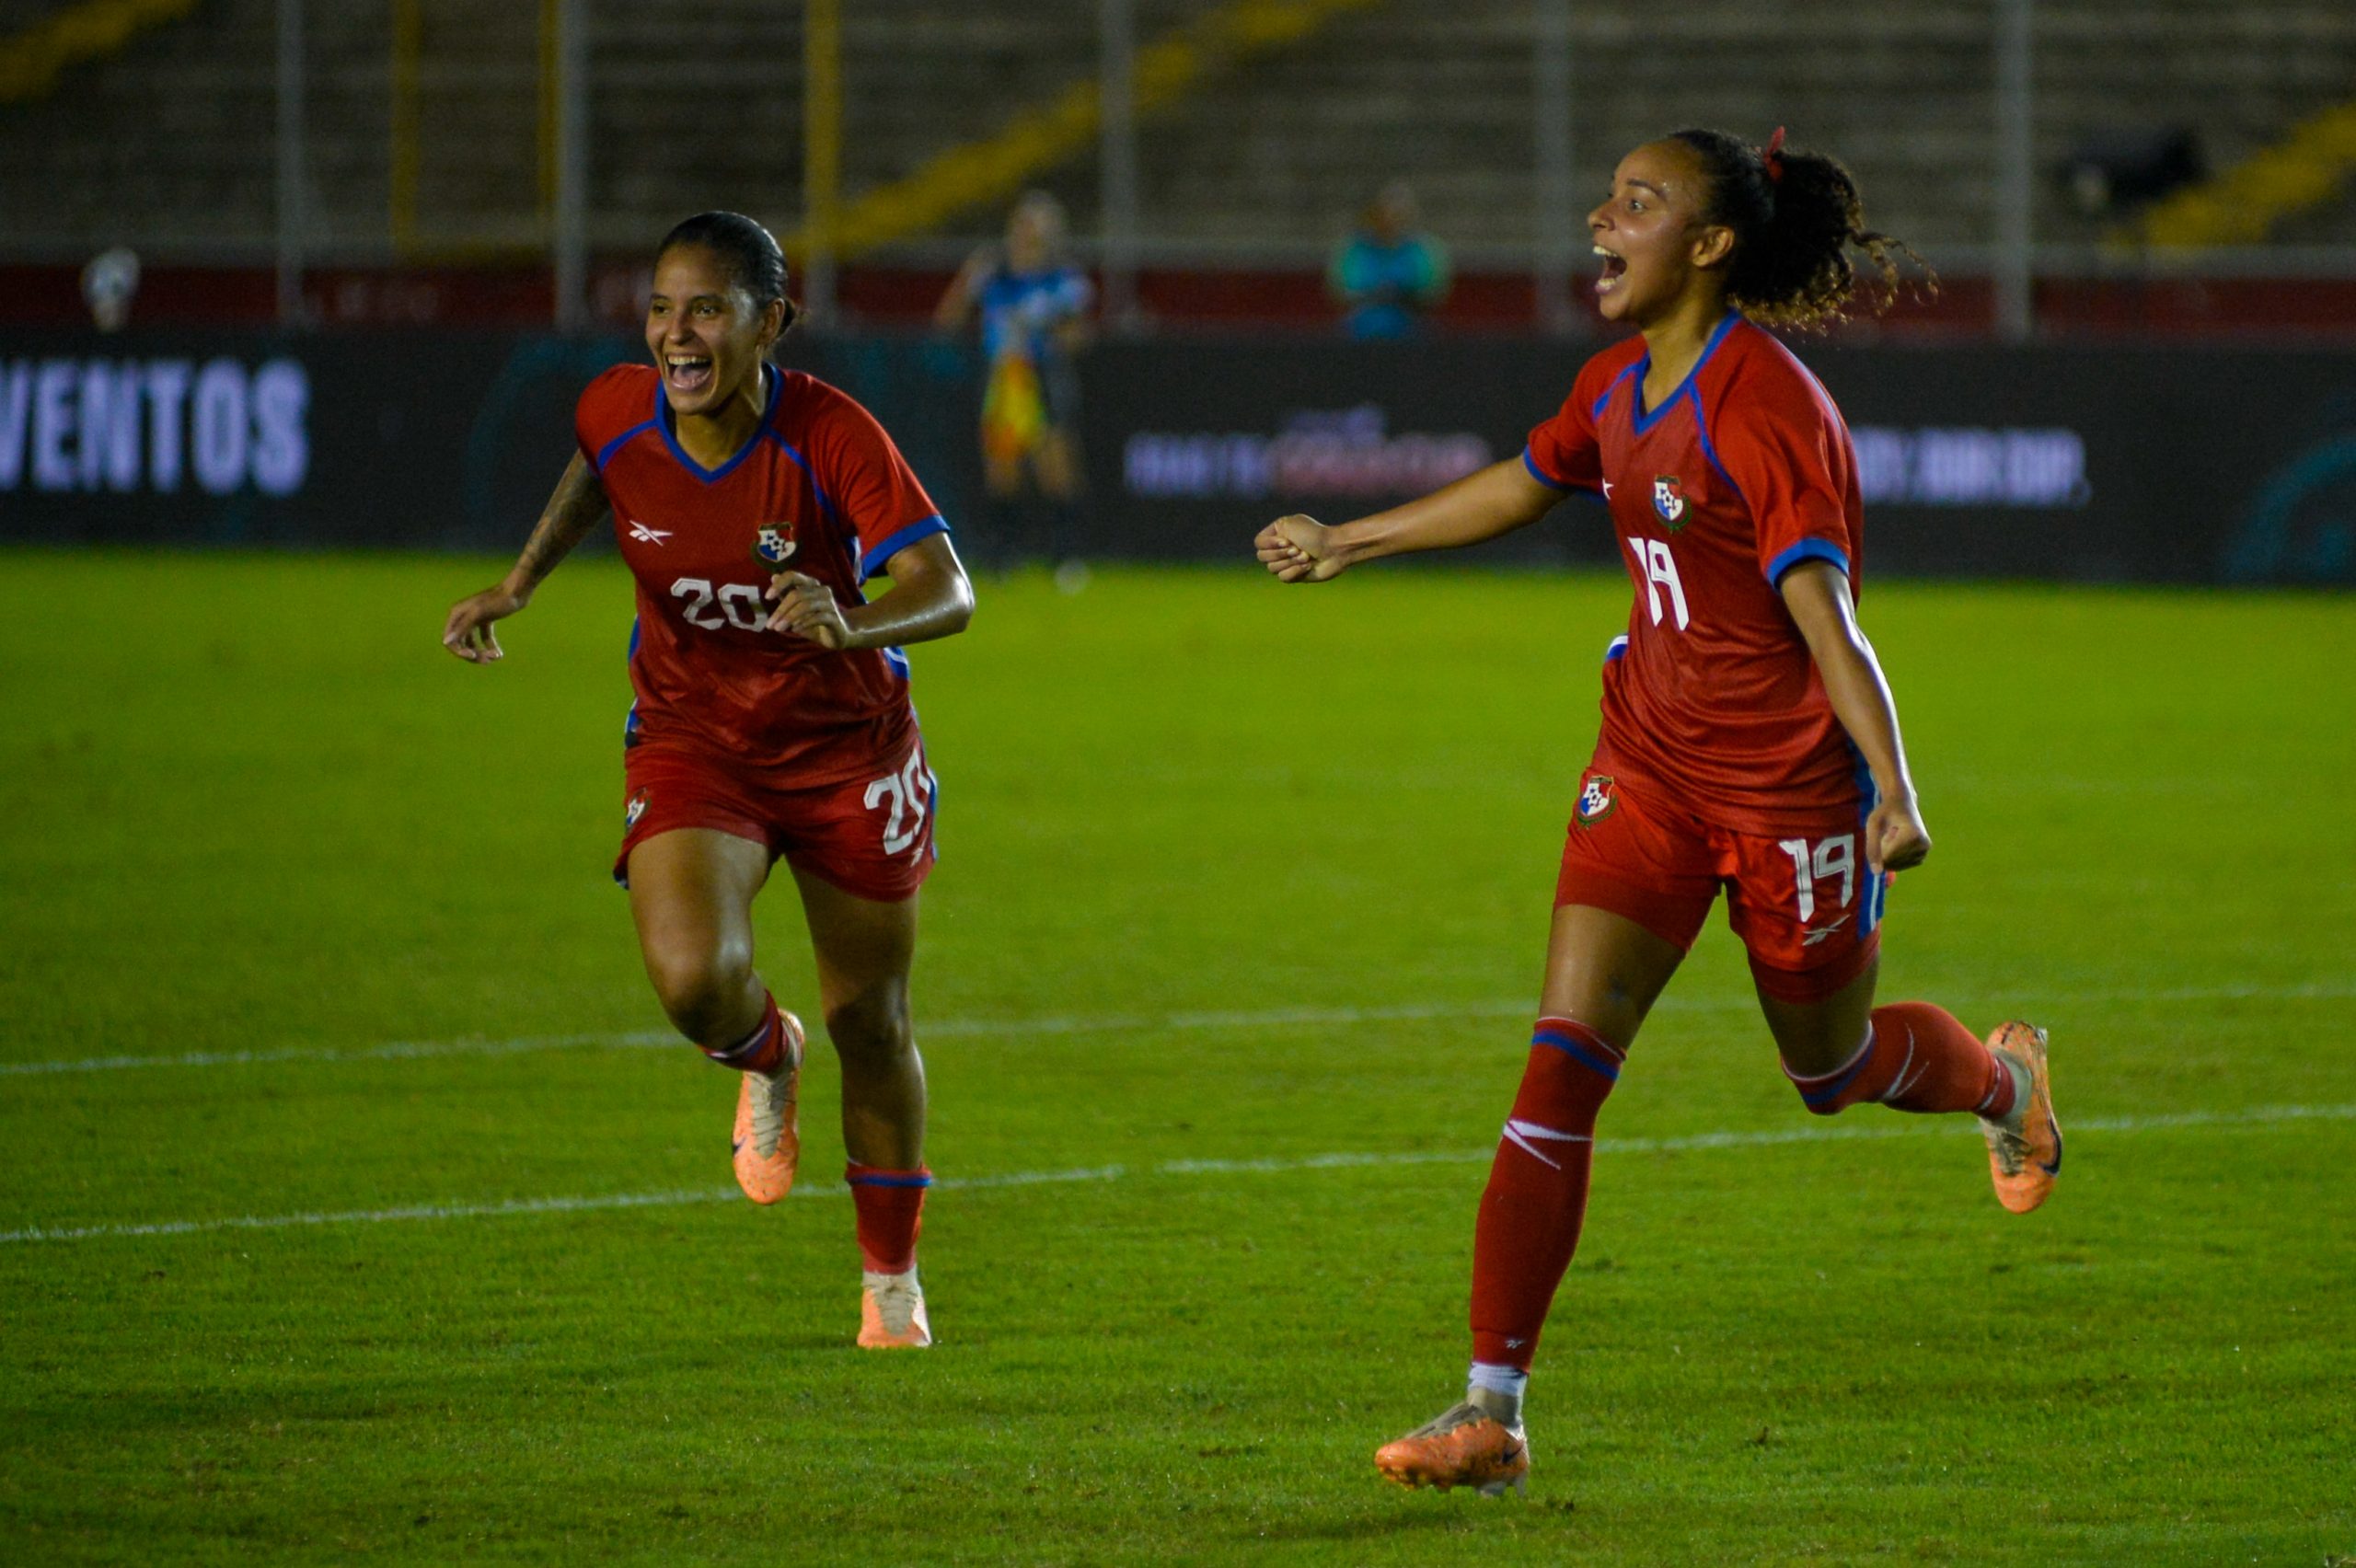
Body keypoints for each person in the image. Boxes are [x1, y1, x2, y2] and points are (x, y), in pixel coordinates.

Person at [1255, 128, 2061, 1495]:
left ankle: (2003, 1080)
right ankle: (1491, 1413)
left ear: (1709, 244)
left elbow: (1829, 615)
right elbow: (1529, 477)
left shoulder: (1771, 409)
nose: (1597, 220)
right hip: (1648, 767)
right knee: (1560, 1064)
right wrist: (1353, 540)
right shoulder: (1619, 386)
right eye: (1607, 197)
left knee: (1829, 1071)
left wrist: (1897, 793)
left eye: (1635, 203)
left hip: (1792, 794)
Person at [443, 212, 975, 1349]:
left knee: (870, 1022)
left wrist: (852, 623)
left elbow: (951, 588)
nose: (676, 335)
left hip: (847, 750)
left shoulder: (832, 435)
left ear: (770, 323)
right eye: (660, 309)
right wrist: (522, 580)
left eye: (707, 310)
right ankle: (764, 1052)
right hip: (696, 738)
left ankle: (890, 1284)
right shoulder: (618, 404)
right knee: (693, 980)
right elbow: (600, 467)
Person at [933, 190, 1092, 569]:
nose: (1028, 236)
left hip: (1041, 375)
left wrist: (1049, 335)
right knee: (1001, 468)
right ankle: (1003, 553)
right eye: (1023, 226)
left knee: (1054, 465)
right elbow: (947, 319)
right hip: (1001, 376)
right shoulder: (992, 271)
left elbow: (1078, 336)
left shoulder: (1061, 279)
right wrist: (965, 281)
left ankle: (1065, 556)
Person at [1328, 181, 1449, 340]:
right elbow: (1342, 291)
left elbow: (1432, 292)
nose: (1392, 219)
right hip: (1360, 335)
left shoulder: (1423, 249)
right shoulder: (1354, 250)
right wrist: (1375, 295)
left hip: (1410, 334)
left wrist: (1400, 295)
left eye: (1399, 213)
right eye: (1386, 211)